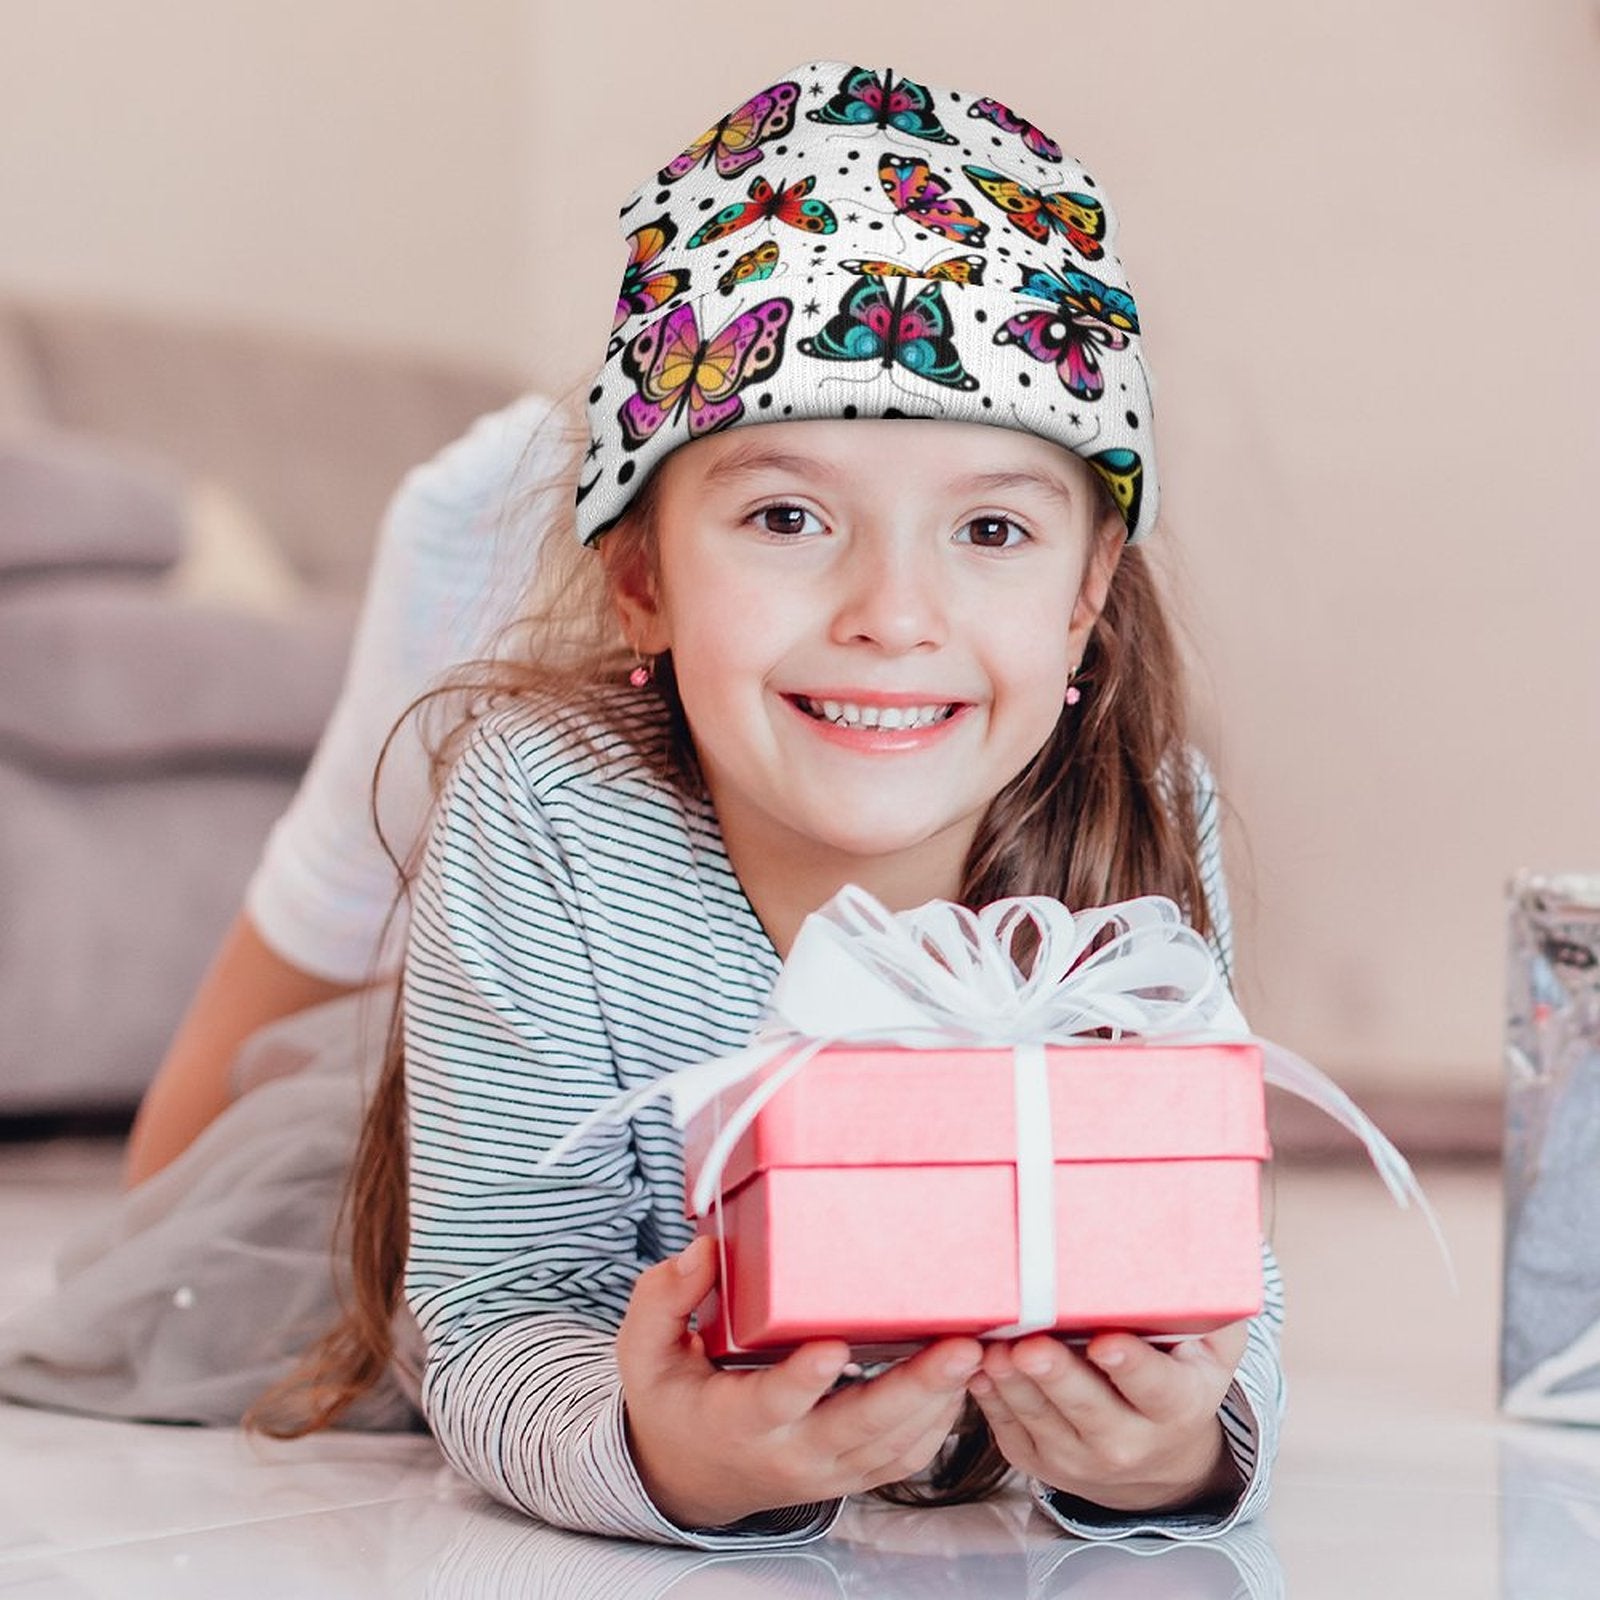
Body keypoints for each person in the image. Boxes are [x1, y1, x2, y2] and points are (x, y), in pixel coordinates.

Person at [272, 57, 1284, 1549]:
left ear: (1085, 598)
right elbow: (485, 1313)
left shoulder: (1140, 815)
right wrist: (666, 1458)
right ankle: (446, 555)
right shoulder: (542, 806)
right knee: (210, 1215)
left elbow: (1229, 1305)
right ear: (641, 580)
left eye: (991, 528)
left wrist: (1169, 1456)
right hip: (418, 1150)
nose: (892, 613)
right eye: (787, 517)